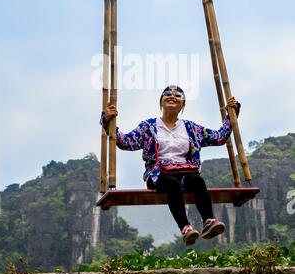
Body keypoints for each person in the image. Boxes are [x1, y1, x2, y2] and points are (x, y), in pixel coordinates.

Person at [100, 85, 240, 246]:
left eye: (178, 95)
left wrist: (232, 113)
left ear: (183, 105)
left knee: (197, 180)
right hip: (158, 175)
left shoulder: (191, 128)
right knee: (171, 183)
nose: (172, 96)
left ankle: (208, 221)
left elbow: (219, 137)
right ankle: (185, 228)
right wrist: (107, 121)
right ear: (161, 102)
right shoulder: (149, 126)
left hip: (185, 172)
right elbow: (126, 142)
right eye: (167, 94)